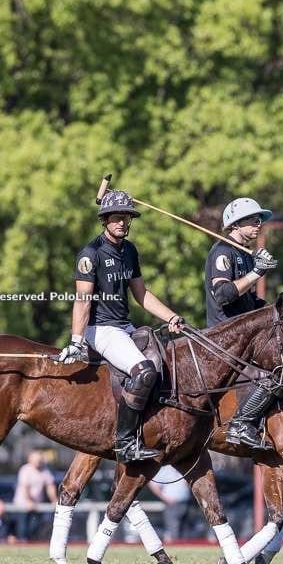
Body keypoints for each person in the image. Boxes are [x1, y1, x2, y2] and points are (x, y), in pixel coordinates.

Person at [54, 188, 186, 463]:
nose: (122, 223)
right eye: (116, 217)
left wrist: (171, 316)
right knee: (144, 371)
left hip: (124, 326)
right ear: (104, 220)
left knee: (165, 367)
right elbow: (82, 300)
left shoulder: (129, 250)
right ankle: (125, 442)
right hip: (100, 329)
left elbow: (141, 294)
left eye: (126, 217)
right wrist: (77, 341)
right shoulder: (90, 253)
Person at [204, 197, 279, 451]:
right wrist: (257, 273)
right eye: (253, 220)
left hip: (243, 336)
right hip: (224, 336)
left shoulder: (245, 255)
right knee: (272, 375)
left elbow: (247, 302)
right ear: (235, 225)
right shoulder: (222, 252)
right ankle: (240, 425)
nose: (259, 225)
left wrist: (275, 312)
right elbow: (223, 295)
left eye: (260, 220)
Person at [13, 450, 57, 540]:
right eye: (36, 459)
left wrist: (54, 500)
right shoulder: (25, 470)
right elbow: (25, 488)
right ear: (30, 459)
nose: (39, 461)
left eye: (40, 459)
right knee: (22, 530)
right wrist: (29, 501)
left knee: (35, 528)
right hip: (23, 505)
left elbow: (50, 486)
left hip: (37, 505)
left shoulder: (45, 470)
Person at [148, 465, 191, 542]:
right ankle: (176, 550)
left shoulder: (183, 467)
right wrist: (165, 498)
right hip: (172, 504)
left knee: (185, 530)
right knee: (173, 530)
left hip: (185, 502)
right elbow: (152, 483)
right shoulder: (165, 469)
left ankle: (185, 549)